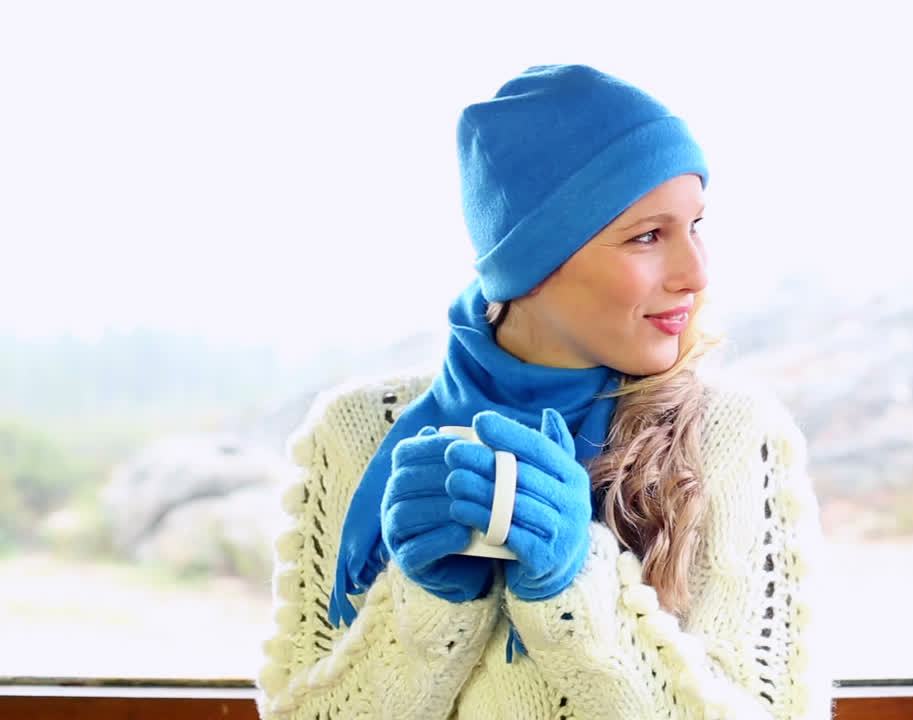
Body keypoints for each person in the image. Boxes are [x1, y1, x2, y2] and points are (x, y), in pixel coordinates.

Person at [256, 64, 831, 720]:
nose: (696, 274)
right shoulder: (358, 434)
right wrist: (431, 607)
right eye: (647, 236)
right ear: (532, 260)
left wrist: (574, 591)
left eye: (696, 225)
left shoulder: (730, 435)